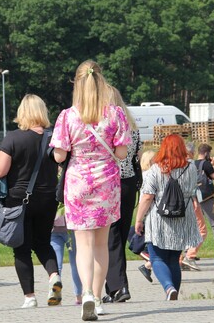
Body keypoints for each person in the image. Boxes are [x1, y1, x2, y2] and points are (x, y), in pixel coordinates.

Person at [51, 60, 131, 321]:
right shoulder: (115, 114)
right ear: (101, 82)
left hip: (78, 184)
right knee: (101, 245)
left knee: (82, 245)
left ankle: (85, 292)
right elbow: (121, 152)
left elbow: (60, 156)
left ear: (77, 84)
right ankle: (97, 299)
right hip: (106, 183)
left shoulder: (67, 115)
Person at [0, 94, 61, 309]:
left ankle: (29, 297)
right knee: (42, 243)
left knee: (21, 248)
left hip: (18, 200)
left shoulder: (13, 138)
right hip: (48, 199)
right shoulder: (54, 137)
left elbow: (1, 170)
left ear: (23, 112)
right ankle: (54, 276)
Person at [134, 134, 202, 301]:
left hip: (159, 219)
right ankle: (173, 295)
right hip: (182, 217)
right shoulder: (191, 168)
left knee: (157, 257)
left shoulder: (155, 170)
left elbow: (148, 197)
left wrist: (138, 219)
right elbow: (193, 190)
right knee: (173, 258)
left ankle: (168, 287)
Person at [102, 86, 141, 304]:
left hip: (110, 183)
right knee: (120, 234)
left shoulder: (107, 126)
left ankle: (116, 286)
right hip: (128, 184)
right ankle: (119, 284)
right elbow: (137, 155)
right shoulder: (131, 127)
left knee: (111, 238)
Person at [181, 142, 207, 271]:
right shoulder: (190, 165)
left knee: (182, 232)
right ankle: (190, 256)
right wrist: (194, 199)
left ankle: (180, 260)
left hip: (179, 203)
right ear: (191, 153)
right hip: (191, 200)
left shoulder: (176, 164)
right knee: (202, 230)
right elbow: (191, 184)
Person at [50, 206, 83, 305]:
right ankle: (56, 295)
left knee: (75, 264)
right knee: (56, 266)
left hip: (71, 228)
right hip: (54, 231)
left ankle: (79, 295)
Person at [135, 149, 156, 283]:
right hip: (153, 213)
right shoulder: (151, 175)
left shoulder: (142, 175)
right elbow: (146, 197)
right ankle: (148, 264)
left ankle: (149, 265)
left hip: (147, 213)